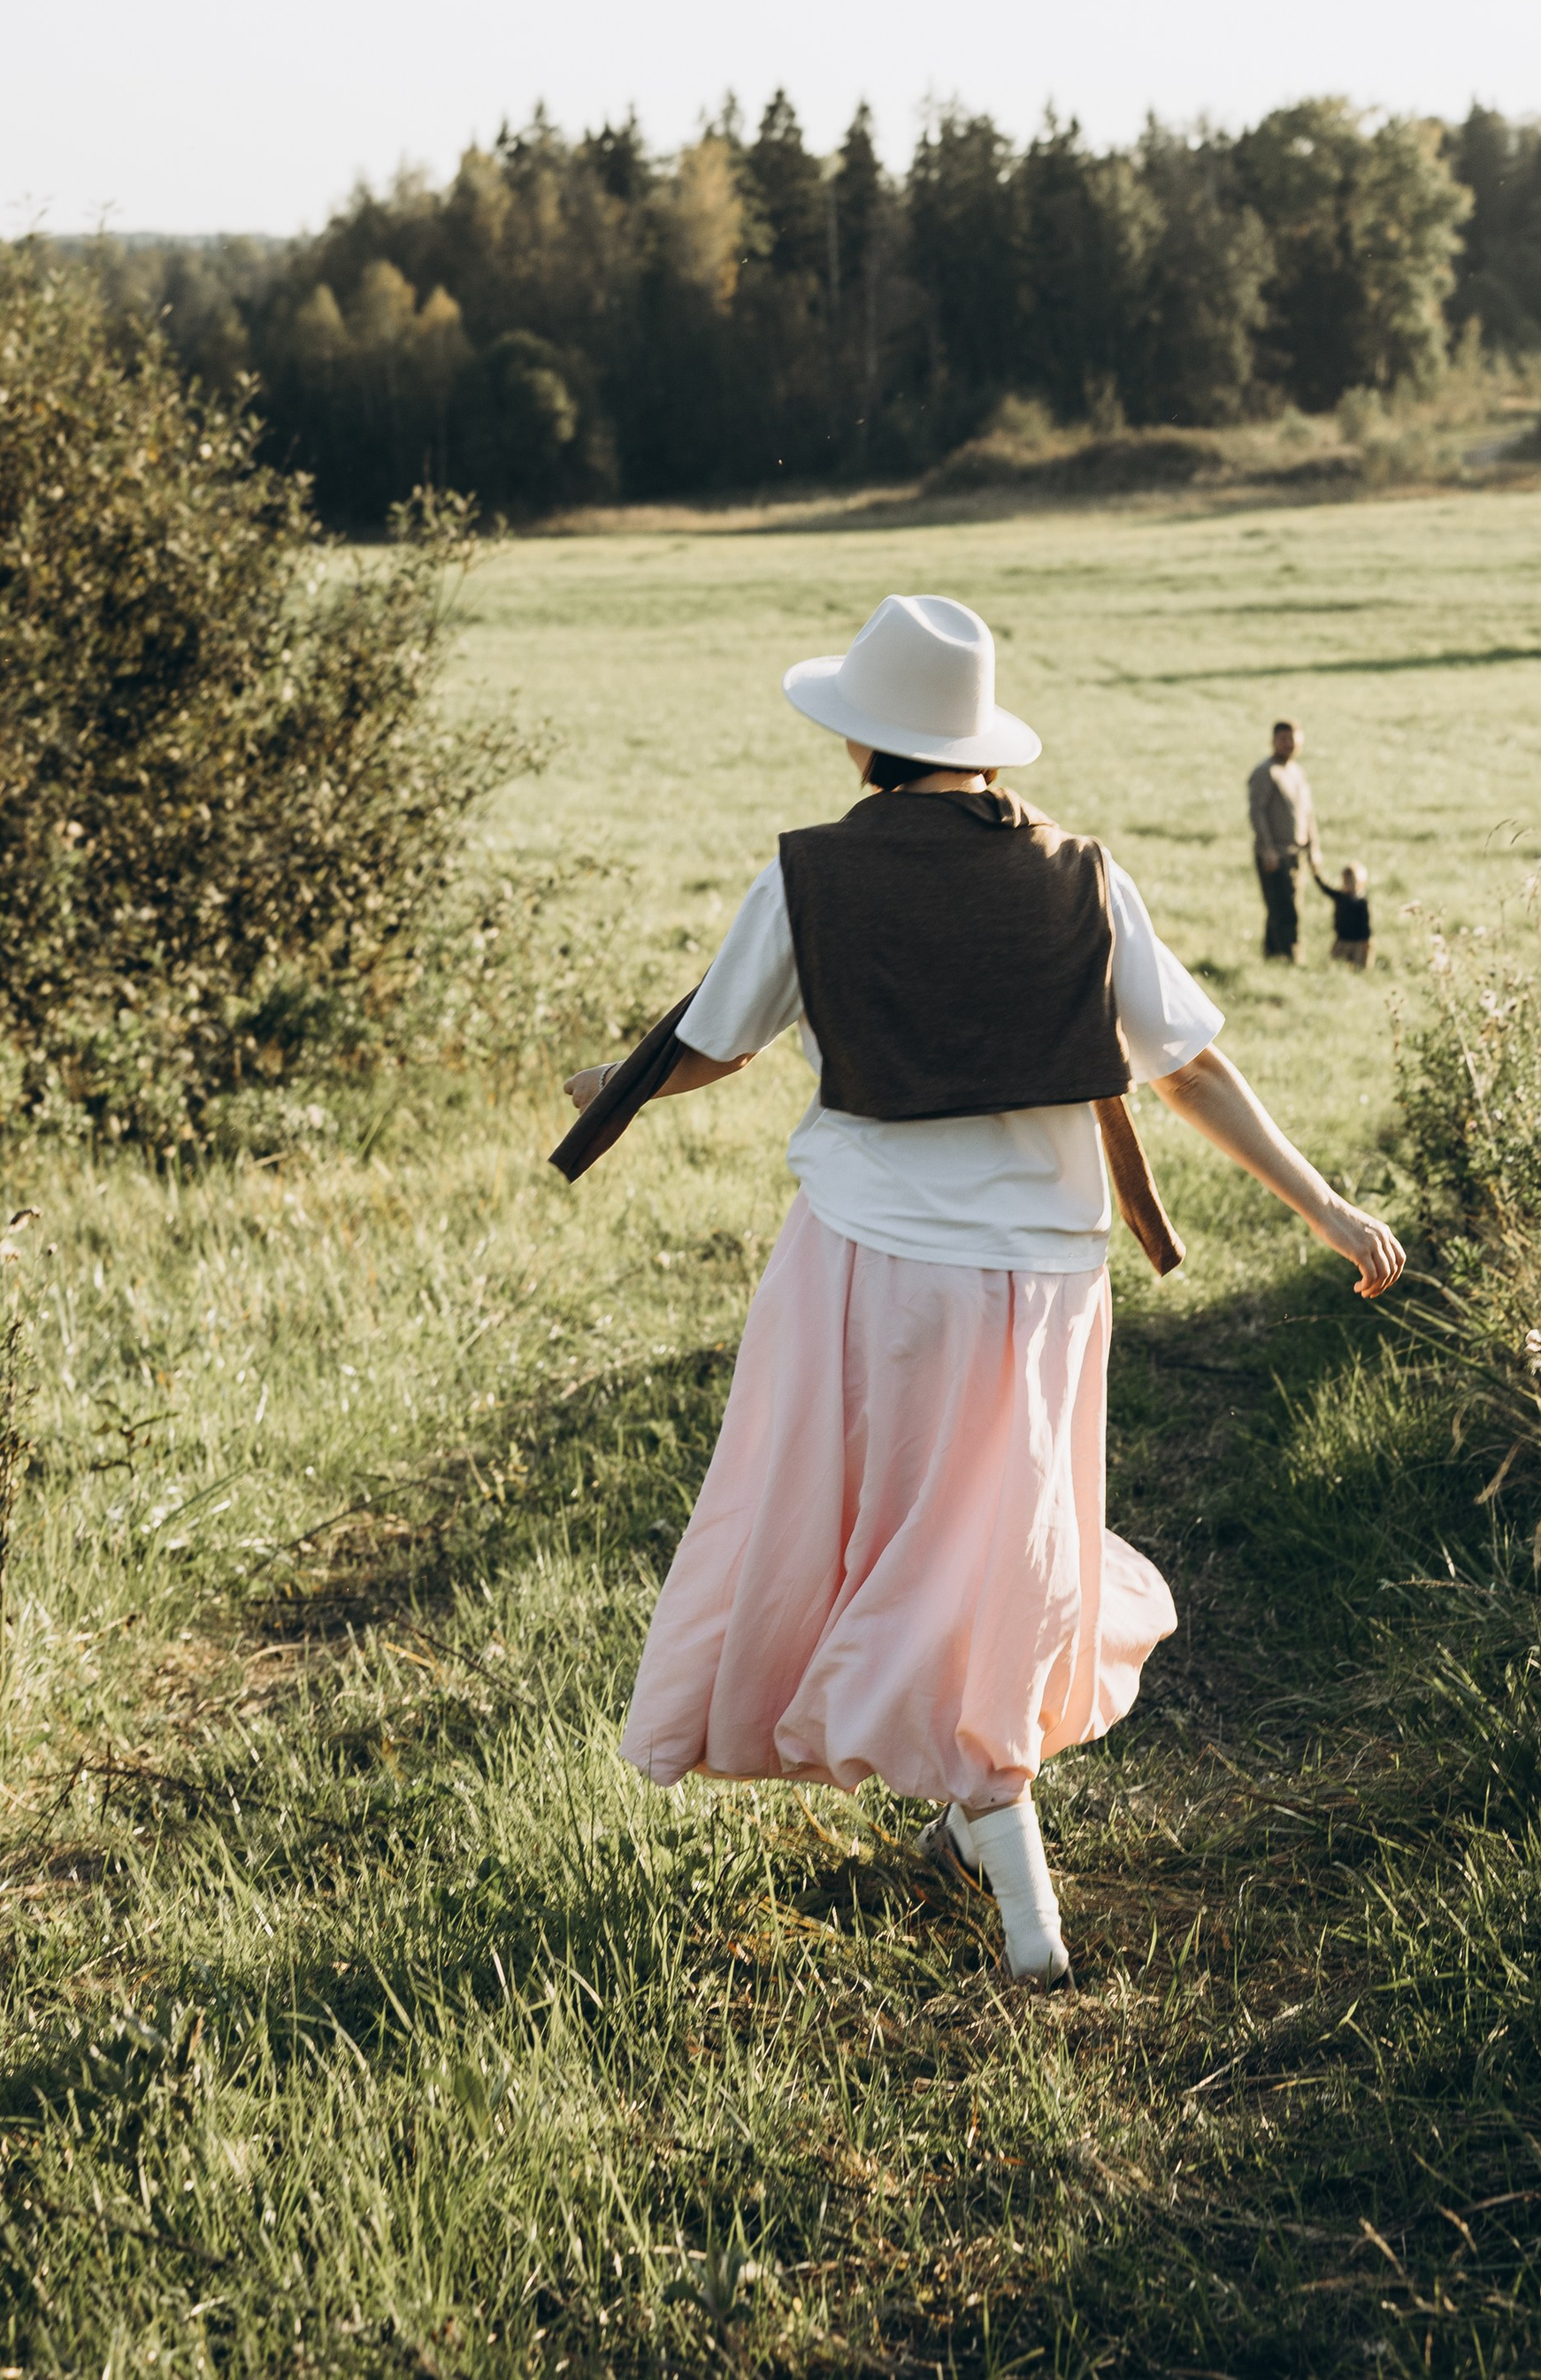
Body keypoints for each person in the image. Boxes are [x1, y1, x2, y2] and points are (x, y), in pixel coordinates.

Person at [568, 595, 1404, 1989]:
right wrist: (1325, 1207)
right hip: (1050, 1283)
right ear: (980, 747)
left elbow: (715, 1040)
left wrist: (614, 1086)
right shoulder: (1084, 876)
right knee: (995, 1553)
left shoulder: (810, 878)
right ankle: (976, 1838)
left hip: (872, 1267)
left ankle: (1013, 1878)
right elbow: (1189, 1067)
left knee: (877, 1544)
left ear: (862, 743)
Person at [1247, 718, 1316, 961]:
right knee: (1285, 911)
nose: (1288, 744)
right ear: (1273, 741)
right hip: (1276, 853)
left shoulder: (1297, 772)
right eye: (1283, 739)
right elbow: (1257, 812)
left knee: (1286, 907)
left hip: (1296, 852)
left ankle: (1273, 958)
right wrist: (1267, 849)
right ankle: (1290, 959)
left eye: (1292, 739)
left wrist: (1314, 848)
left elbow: (1308, 813)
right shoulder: (1266, 772)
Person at [1316, 859, 1372, 970]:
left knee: (1359, 969)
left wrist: (1366, 942)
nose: (1349, 885)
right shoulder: (1340, 897)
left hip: (1358, 942)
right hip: (1341, 940)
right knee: (1334, 966)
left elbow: (1365, 924)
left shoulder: (1362, 902)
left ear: (1361, 883)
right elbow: (1325, 888)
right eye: (1346, 882)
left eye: (1352, 881)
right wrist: (1316, 873)